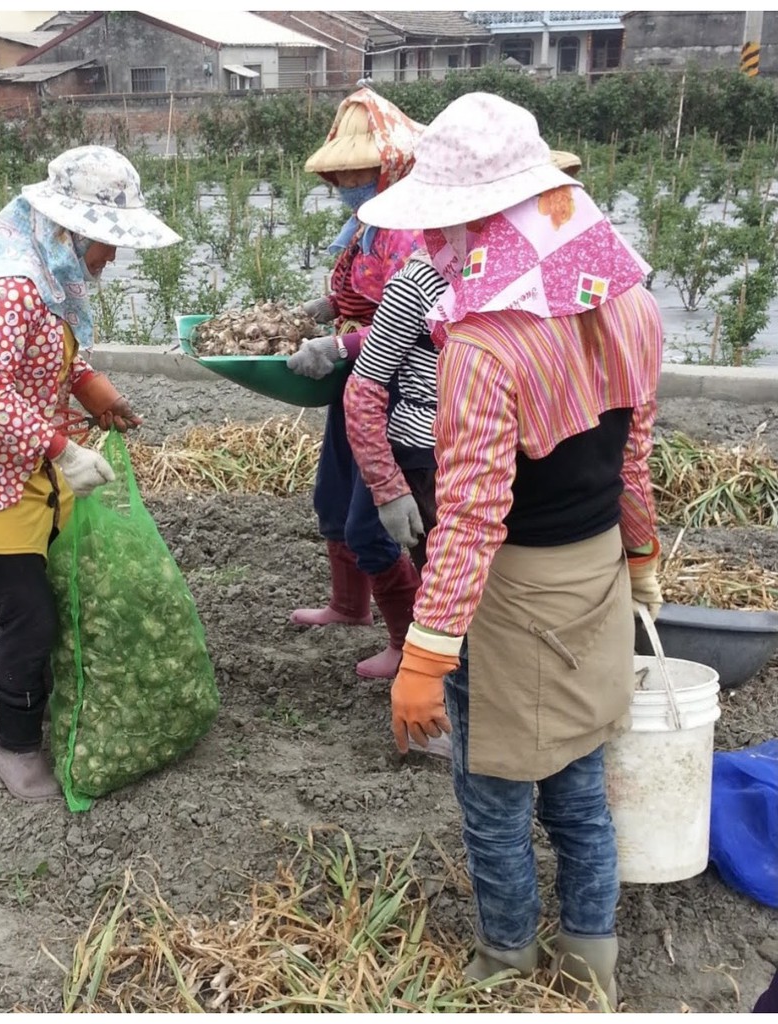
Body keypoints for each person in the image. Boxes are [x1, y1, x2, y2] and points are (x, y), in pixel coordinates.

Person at [357, 93, 665, 1008]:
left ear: (482, 220)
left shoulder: (486, 346)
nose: (442, 242)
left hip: (514, 596)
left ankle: (506, 957)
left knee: (494, 792)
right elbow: (634, 461)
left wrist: (423, 653)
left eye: (451, 222)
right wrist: (641, 561)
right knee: (579, 777)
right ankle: (590, 952)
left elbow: (473, 517)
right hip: (598, 573)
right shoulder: (629, 303)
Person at [0, 146, 181, 803]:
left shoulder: (48, 271)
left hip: (27, 462)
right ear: (71, 230)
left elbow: (49, 355)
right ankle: (11, 745)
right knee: (30, 614)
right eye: (106, 244)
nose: (111, 259)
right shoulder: (10, 287)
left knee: (53, 599)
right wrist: (62, 447)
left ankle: (45, 706)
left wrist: (89, 385)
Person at [339, 147, 579, 704]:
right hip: (428, 455)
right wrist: (387, 484)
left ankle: (475, 691)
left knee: (489, 582)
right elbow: (366, 387)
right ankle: (442, 695)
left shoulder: (524, 274)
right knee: (447, 580)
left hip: (503, 452)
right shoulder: (418, 281)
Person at [286, 86, 427, 680]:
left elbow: (410, 325)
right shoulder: (370, 223)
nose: (346, 185)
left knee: (374, 521)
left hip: (396, 389)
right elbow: (358, 292)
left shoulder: (412, 231)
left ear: (391, 163)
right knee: (333, 497)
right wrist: (322, 310)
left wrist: (339, 343)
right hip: (356, 380)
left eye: (357, 172)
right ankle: (350, 606)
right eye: (339, 175)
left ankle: (409, 641)